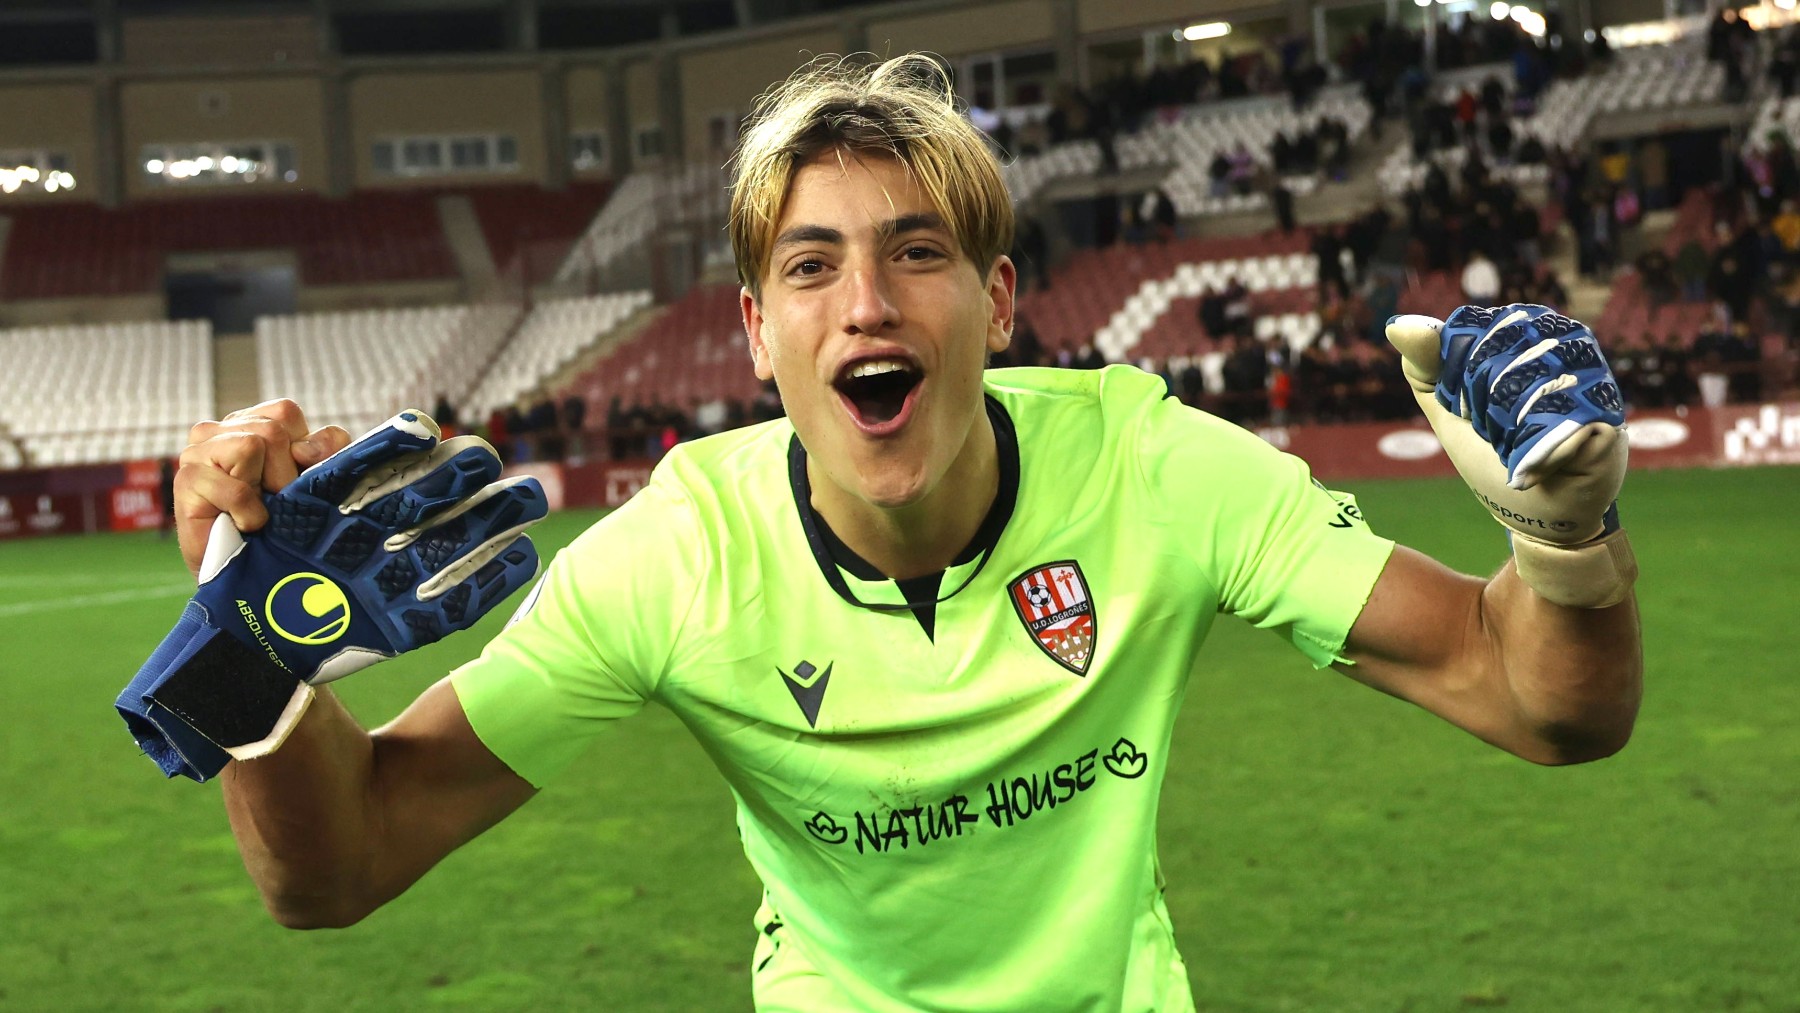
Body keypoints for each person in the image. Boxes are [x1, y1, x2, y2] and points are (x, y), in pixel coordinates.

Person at [165, 54, 1642, 1012]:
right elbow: (335, 870)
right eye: (811, 266)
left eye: (916, 251)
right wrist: (253, 652)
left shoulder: (1156, 469)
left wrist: (1565, 543)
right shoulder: (678, 556)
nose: (865, 303)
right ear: (756, 331)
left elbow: (1537, 699)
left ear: (998, 306)